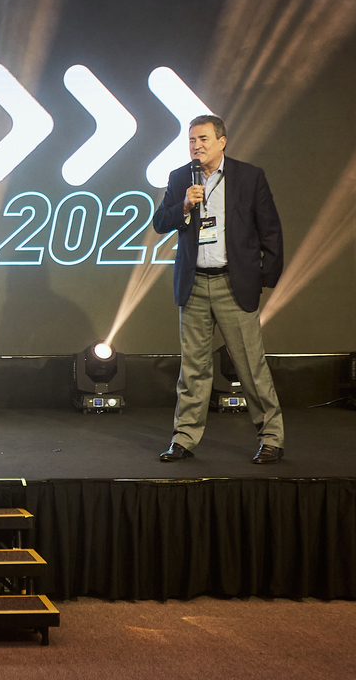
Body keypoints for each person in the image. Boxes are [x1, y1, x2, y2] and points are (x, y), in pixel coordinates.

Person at [151, 114, 285, 464]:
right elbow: (160, 222)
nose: (196, 146)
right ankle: (184, 439)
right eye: (191, 140)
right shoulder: (180, 177)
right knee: (193, 369)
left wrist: (262, 278)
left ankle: (271, 438)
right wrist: (184, 205)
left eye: (203, 139)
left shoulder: (249, 176)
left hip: (233, 283)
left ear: (222, 142)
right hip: (194, 284)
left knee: (251, 367)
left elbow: (270, 230)